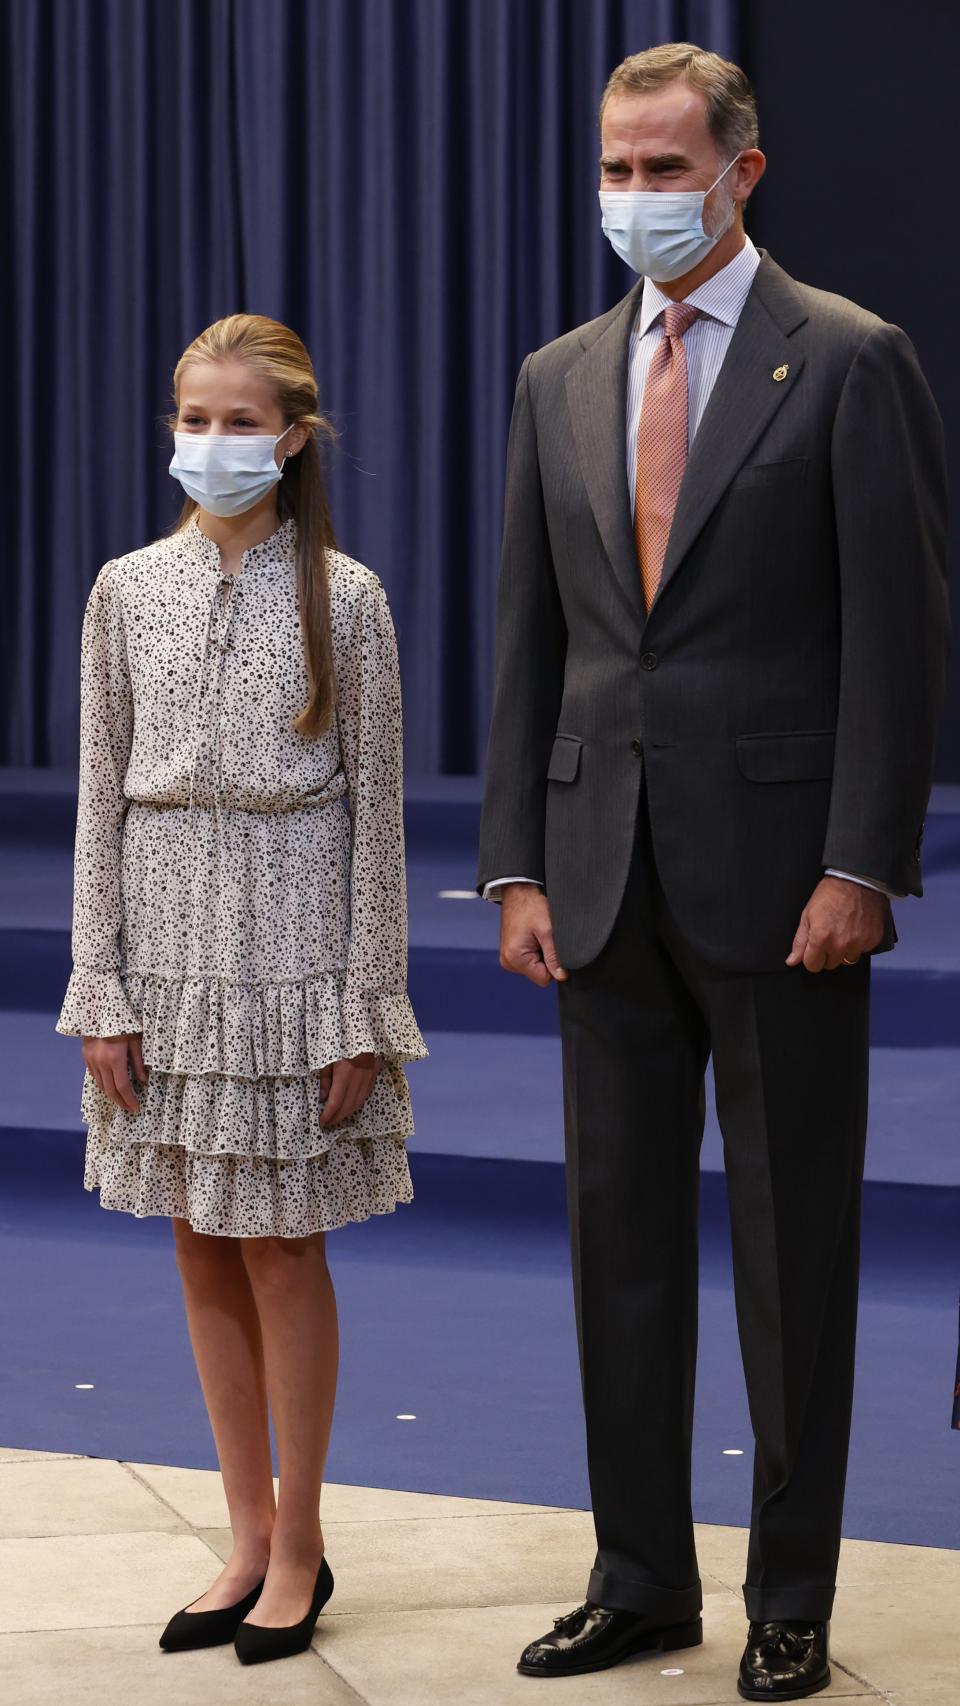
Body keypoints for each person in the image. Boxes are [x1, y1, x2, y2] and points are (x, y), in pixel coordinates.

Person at [476, 41, 949, 1704]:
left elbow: (900, 639)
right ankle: (639, 1579)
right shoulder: (554, 376)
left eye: (664, 168)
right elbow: (530, 637)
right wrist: (514, 862)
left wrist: (862, 858)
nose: (635, 197)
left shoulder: (851, 357)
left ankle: (791, 1593)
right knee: (617, 1249)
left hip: (786, 884)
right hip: (596, 872)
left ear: (742, 171)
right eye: (615, 169)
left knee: (792, 1253)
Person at [55, 313, 427, 1666]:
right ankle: (245, 1532)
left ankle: (305, 1540)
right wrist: (100, 983)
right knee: (198, 1237)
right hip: (162, 954)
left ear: (293, 437)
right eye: (193, 419)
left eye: (238, 422)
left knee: (281, 1243)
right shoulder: (124, 590)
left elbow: (378, 816)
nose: (210, 442)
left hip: (292, 955)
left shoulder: (349, 599)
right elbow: (99, 797)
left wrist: (363, 1004)